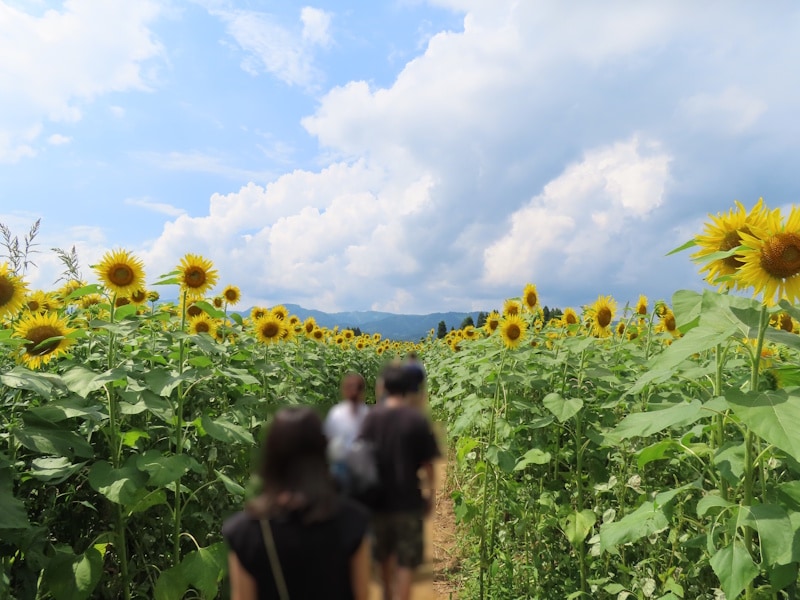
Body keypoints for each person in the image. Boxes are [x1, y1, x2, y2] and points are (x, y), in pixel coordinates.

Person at [223, 406, 371, 600]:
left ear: (271, 456)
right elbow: (362, 595)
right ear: (322, 450)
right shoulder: (351, 521)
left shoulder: (246, 532)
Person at [358, 364, 441, 600]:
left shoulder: (372, 417)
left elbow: (359, 455)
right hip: (408, 500)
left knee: (382, 555)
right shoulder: (416, 420)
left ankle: (386, 593)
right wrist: (431, 496)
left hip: (377, 500)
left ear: (383, 387)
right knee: (406, 560)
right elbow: (428, 465)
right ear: (407, 389)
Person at [324, 373, 369, 492]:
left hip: (344, 464)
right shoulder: (366, 413)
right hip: (355, 465)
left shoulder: (336, 413)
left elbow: (327, 438)